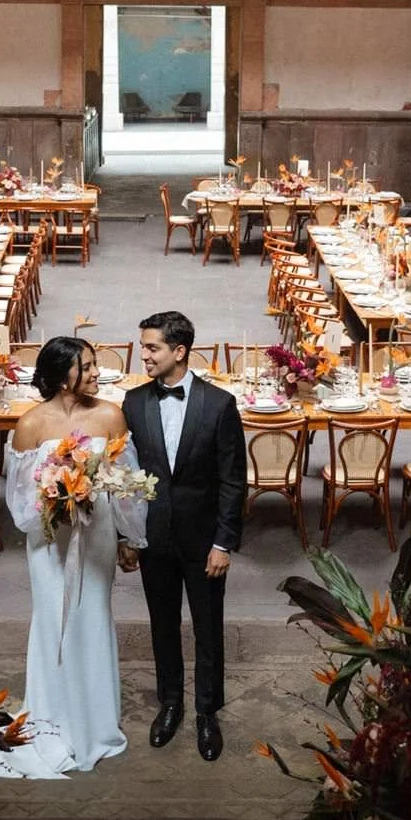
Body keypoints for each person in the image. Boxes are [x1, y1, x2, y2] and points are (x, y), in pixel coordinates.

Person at [0, 336, 147, 778]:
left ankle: (95, 724)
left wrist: (129, 539)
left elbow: (127, 485)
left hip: (94, 536)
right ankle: (52, 717)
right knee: (51, 621)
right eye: (89, 366)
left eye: (96, 364)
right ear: (62, 376)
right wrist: (54, 499)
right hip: (47, 541)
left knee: (93, 618)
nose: (98, 373)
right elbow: (19, 502)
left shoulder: (110, 416)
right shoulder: (30, 425)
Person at [120, 310, 247, 762]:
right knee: (162, 625)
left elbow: (234, 480)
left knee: (208, 628)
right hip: (155, 539)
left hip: (204, 540)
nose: (145, 356)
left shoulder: (219, 404)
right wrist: (127, 536)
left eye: (152, 348)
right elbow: (127, 477)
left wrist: (223, 542)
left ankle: (207, 713)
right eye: (143, 347)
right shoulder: (133, 404)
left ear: (180, 351)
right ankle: (170, 703)